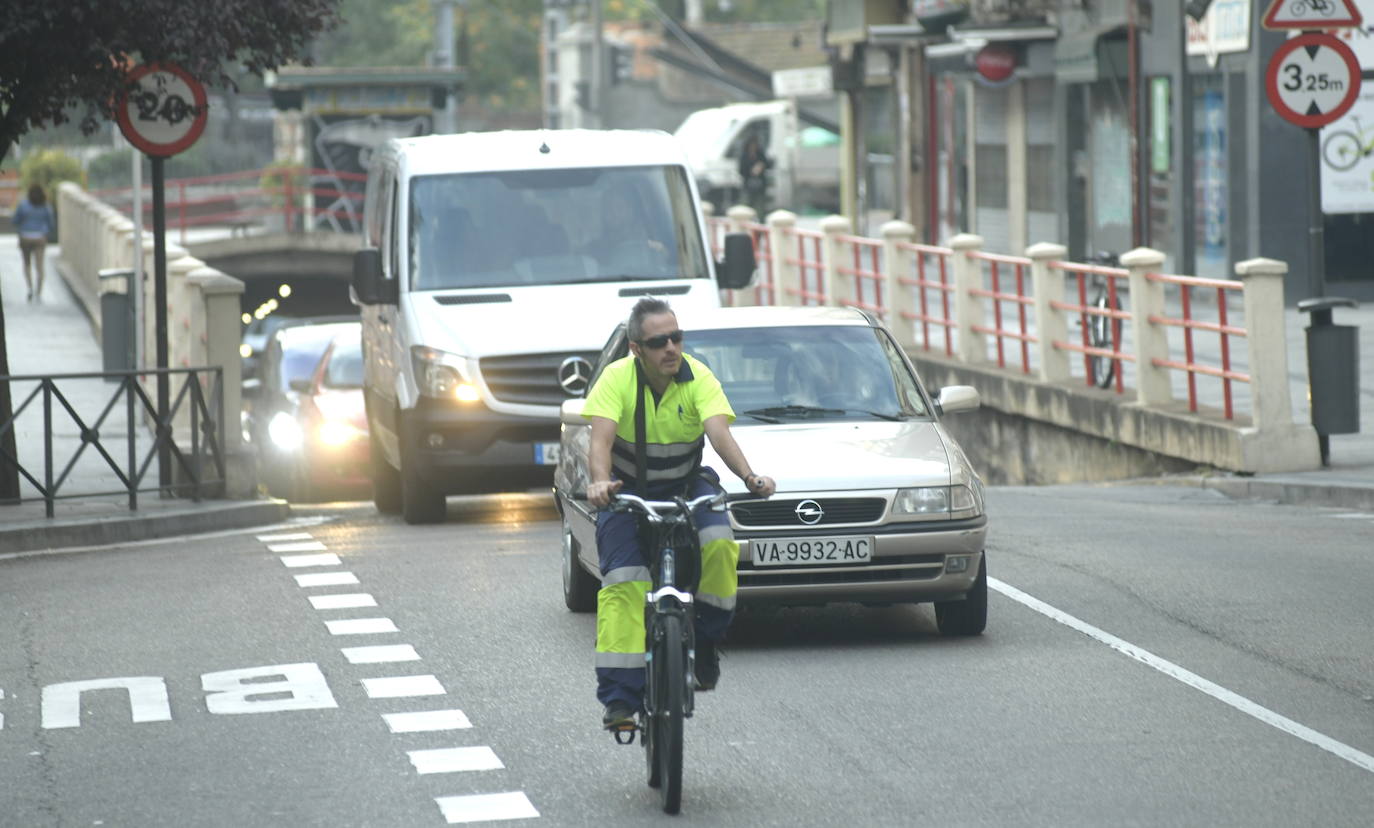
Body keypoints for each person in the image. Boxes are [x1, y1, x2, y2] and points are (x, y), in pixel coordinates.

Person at [582, 297, 776, 730]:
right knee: (624, 582)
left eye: (676, 338)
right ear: (636, 348)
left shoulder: (698, 375)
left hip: (688, 484)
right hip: (624, 488)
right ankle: (620, 700)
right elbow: (601, 443)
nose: (671, 348)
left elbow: (719, 434)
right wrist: (600, 483)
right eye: (658, 342)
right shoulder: (617, 379)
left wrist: (749, 477)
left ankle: (704, 642)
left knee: (720, 545)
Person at [12, 185, 55, 302]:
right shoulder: (46, 206)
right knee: (40, 266)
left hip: (25, 237)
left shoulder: (23, 205)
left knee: (27, 264)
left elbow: (15, 220)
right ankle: (39, 291)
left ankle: (30, 287)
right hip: (40, 237)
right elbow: (51, 223)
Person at [737, 133, 770, 215]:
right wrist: (751, 171)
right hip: (748, 184)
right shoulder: (744, 156)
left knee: (760, 206)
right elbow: (741, 170)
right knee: (746, 207)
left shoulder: (760, 154)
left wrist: (761, 166)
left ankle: (760, 223)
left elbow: (768, 164)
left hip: (760, 184)